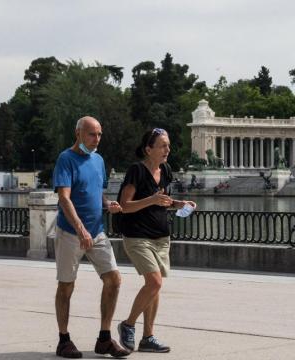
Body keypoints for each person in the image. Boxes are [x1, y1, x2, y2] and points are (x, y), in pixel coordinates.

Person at [52, 116, 130, 358]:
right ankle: (64, 340)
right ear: (78, 134)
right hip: (70, 233)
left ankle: (104, 338)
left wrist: (108, 204)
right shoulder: (66, 159)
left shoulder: (98, 160)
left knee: (114, 280)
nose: (96, 140)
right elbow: (64, 198)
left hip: (96, 232)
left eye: (99, 135)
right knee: (66, 286)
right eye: (91, 135)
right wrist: (80, 229)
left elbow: (97, 193)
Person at [117, 128, 197, 353]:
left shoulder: (166, 170)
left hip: (161, 237)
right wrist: (151, 199)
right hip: (137, 236)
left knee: (154, 287)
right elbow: (125, 205)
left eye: (168, 145)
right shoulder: (137, 170)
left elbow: (163, 201)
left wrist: (179, 204)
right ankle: (128, 324)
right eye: (162, 145)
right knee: (155, 283)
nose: (167, 150)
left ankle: (148, 337)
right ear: (148, 149)